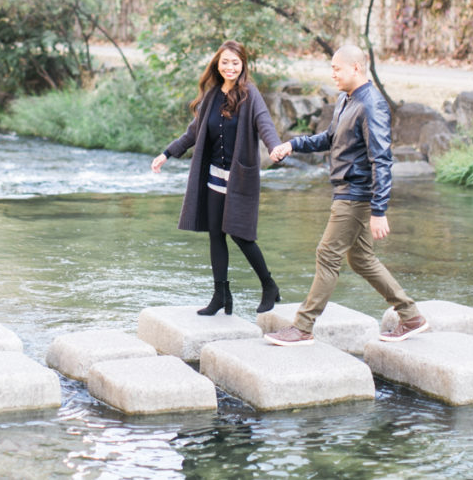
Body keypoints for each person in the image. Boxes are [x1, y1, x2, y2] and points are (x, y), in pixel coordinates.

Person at [264, 44, 427, 345]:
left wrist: (379, 210)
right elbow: (329, 138)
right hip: (347, 190)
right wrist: (293, 144)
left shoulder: (371, 105)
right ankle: (411, 316)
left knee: (327, 255)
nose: (333, 74)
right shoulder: (345, 99)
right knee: (361, 260)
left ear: (356, 68)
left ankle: (302, 327)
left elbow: (382, 159)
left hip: (355, 194)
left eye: (337, 69)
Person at [151, 40, 282, 315]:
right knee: (216, 235)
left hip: (239, 179)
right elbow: (193, 132)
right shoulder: (211, 96)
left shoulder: (250, 94)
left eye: (235, 62)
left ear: (243, 64)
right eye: (225, 62)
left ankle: (269, 285)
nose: (230, 67)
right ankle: (221, 295)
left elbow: (265, 123)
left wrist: (275, 147)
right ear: (217, 64)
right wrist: (167, 153)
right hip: (213, 177)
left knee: (241, 235)